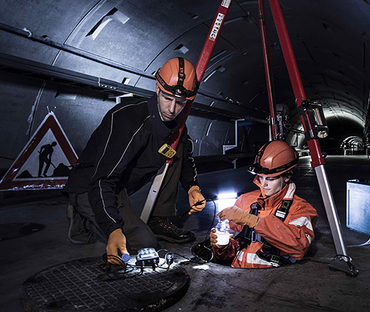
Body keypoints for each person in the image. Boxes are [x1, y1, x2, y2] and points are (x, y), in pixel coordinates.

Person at [62, 57, 206, 263]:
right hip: (91, 184)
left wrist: (193, 187)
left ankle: (157, 219)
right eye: (167, 98)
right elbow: (102, 180)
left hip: (121, 186)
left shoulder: (177, 126)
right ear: (157, 89)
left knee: (178, 147)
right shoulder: (128, 119)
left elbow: (186, 158)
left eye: (180, 102)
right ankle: (83, 217)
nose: (172, 109)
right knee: (141, 245)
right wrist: (113, 228)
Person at [209, 140, 318, 268]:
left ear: (287, 176)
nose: (264, 184)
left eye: (271, 179)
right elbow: (235, 248)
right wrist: (223, 247)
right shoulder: (245, 200)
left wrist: (254, 221)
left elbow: (299, 247)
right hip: (236, 277)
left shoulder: (301, 209)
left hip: (272, 282)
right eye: (260, 177)